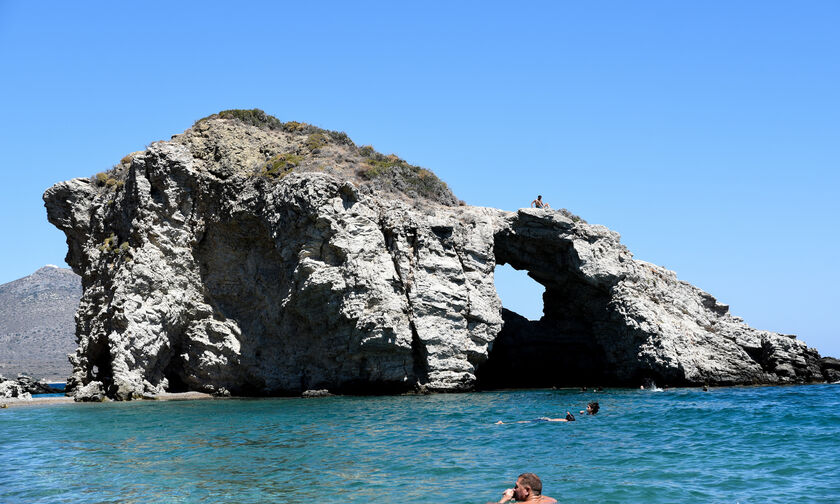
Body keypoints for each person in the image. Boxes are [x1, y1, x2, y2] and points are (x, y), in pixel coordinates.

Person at [495, 412, 575, 424]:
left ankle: (504, 423)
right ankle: (504, 423)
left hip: (546, 419)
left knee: (527, 421)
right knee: (527, 422)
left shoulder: (564, 420)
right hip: (545, 421)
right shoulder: (565, 421)